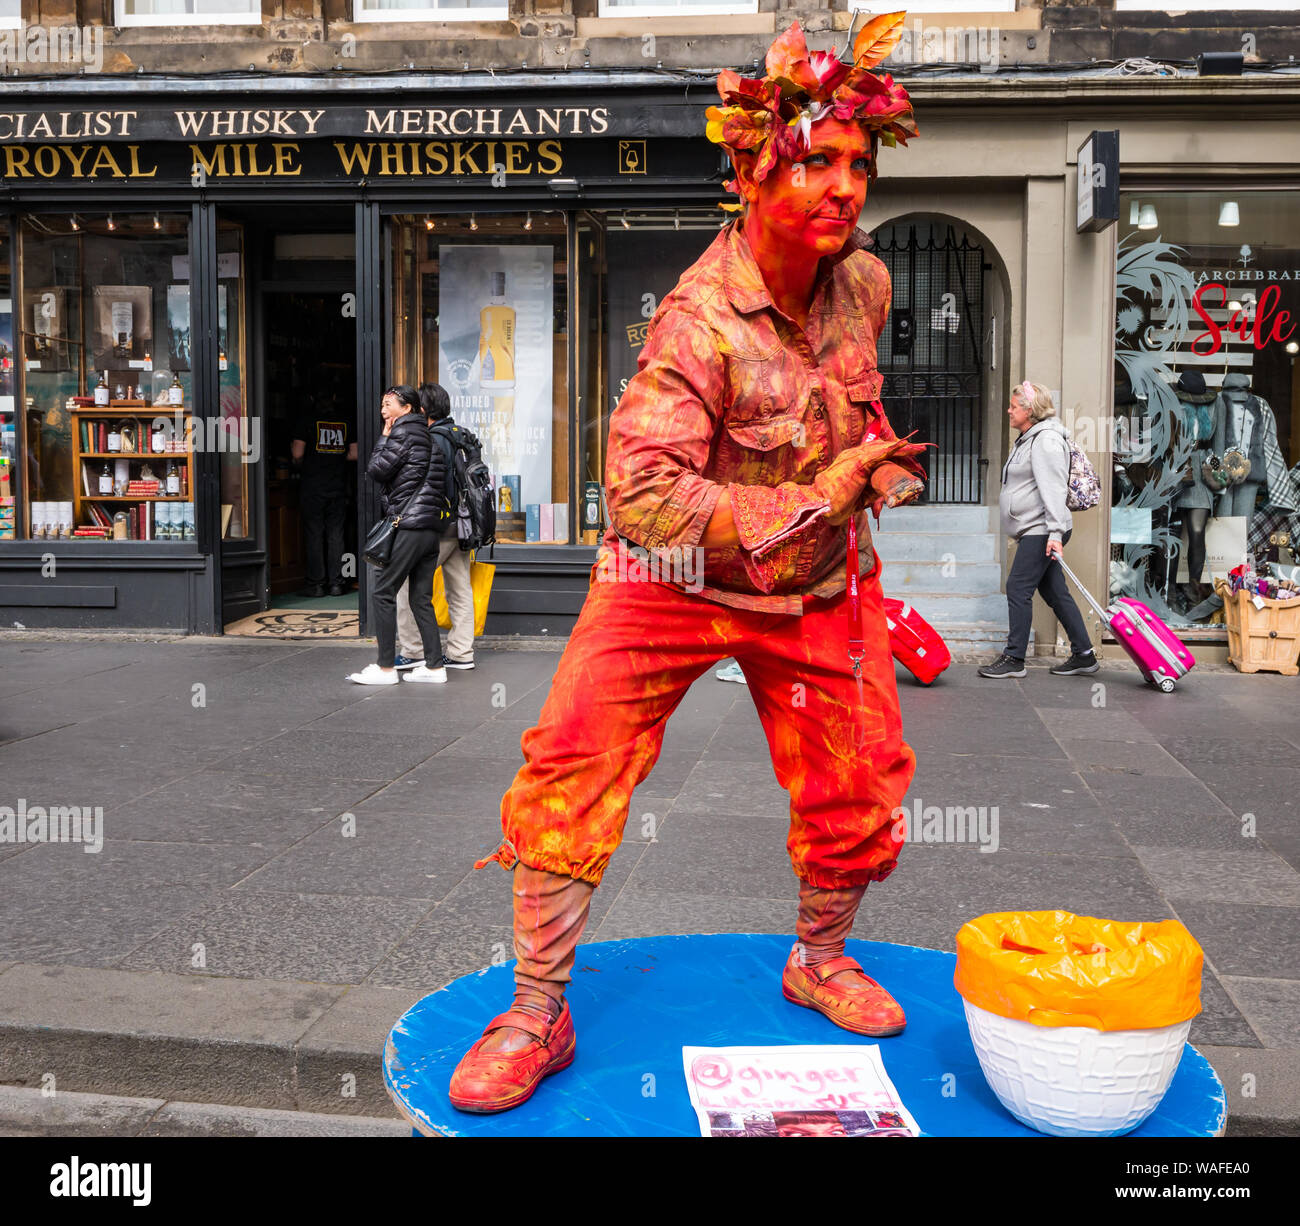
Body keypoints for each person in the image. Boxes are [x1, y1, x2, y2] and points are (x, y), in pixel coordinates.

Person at [449, 19, 927, 1115]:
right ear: (755, 170)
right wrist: (818, 490)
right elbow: (647, 499)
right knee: (571, 764)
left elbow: (833, 401)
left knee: (859, 778)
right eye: (817, 161)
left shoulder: (866, 284)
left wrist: (864, 458)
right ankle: (535, 1007)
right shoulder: (694, 323)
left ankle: (816, 956)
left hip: (811, 582)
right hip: (661, 579)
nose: (844, 186)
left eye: (858, 163)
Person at [979, 380, 1098, 679]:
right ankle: (1084, 654)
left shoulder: (1045, 441)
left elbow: (1054, 490)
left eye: (1014, 406)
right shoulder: (1029, 437)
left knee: (1018, 588)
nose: (1008, 410)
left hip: (1043, 528)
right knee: (1056, 592)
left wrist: (1055, 535)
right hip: (1036, 528)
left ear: (1029, 411)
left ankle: (1014, 658)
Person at [347, 386, 450, 686]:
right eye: (382, 404)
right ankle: (434, 666)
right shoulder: (431, 437)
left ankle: (385, 668)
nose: (383, 410)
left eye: (388, 404)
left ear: (406, 408)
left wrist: (384, 437)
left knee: (382, 591)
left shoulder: (402, 434)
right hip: (430, 528)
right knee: (421, 597)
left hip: (409, 526)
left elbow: (377, 470)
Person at [393, 382, 479, 671]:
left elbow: (430, 486)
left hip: (439, 526)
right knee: (459, 589)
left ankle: (413, 649)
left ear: (423, 409)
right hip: (464, 526)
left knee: (407, 585)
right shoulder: (462, 435)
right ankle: (460, 652)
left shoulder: (432, 439)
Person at [292, 391, 357, 597]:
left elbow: (297, 454)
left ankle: (316, 584)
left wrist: (312, 459)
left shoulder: (307, 421)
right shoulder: (345, 421)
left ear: (313, 399)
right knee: (336, 534)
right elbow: (355, 454)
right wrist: (336, 459)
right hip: (338, 485)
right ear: (335, 398)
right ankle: (337, 584)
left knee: (314, 534)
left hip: (313, 486)